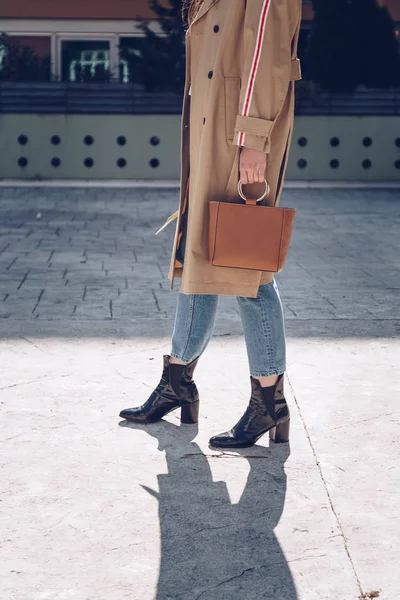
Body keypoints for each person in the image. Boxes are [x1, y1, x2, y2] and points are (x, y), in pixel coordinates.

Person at [120, 0, 303, 448]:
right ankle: (177, 380)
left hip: (237, 137)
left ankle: (269, 401)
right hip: (214, 132)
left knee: (247, 266)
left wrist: (253, 139)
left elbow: (267, 53)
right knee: (199, 252)